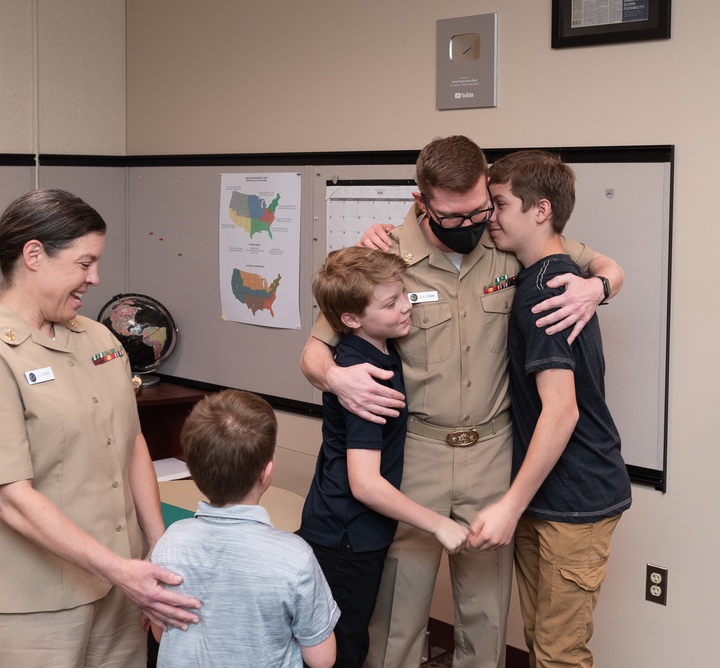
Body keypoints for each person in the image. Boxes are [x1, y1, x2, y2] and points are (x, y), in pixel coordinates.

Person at [299, 136, 624, 668]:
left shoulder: (507, 237)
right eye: (455, 216)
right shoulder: (384, 256)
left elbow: (606, 265)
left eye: (481, 208)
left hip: (493, 454)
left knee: (486, 618)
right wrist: (336, 380)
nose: (475, 223)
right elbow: (314, 353)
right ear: (421, 201)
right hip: (416, 457)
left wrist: (597, 289)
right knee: (397, 619)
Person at [0, 189, 200, 667]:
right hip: (26, 611)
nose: (94, 278)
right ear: (34, 255)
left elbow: (130, 440)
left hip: (117, 592)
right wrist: (120, 569)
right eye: (83, 263)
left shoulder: (97, 338)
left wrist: (157, 545)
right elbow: (10, 499)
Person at [469, 150, 632, 667]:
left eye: (498, 204)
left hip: (576, 499)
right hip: (551, 496)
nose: (488, 217)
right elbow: (604, 266)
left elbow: (561, 412)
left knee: (560, 655)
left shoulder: (544, 289)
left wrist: (508, 506)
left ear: (540, 211)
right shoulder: (555, 275)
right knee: (544, 644)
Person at [298, 246, 470, 668]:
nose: (405, 306)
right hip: (345, 537)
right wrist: (440, 524)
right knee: (341, 649)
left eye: (404, 294)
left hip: (345, 530)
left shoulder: (377, 350)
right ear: (351, 320)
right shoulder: (366, 377)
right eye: (390, 303)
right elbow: (365, 482)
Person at [151, 389, 340, 668]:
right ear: (267, 472)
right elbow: (322, 659)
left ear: (193, 469)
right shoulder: (295, 558)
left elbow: (159, 634)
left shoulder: (170, 542)